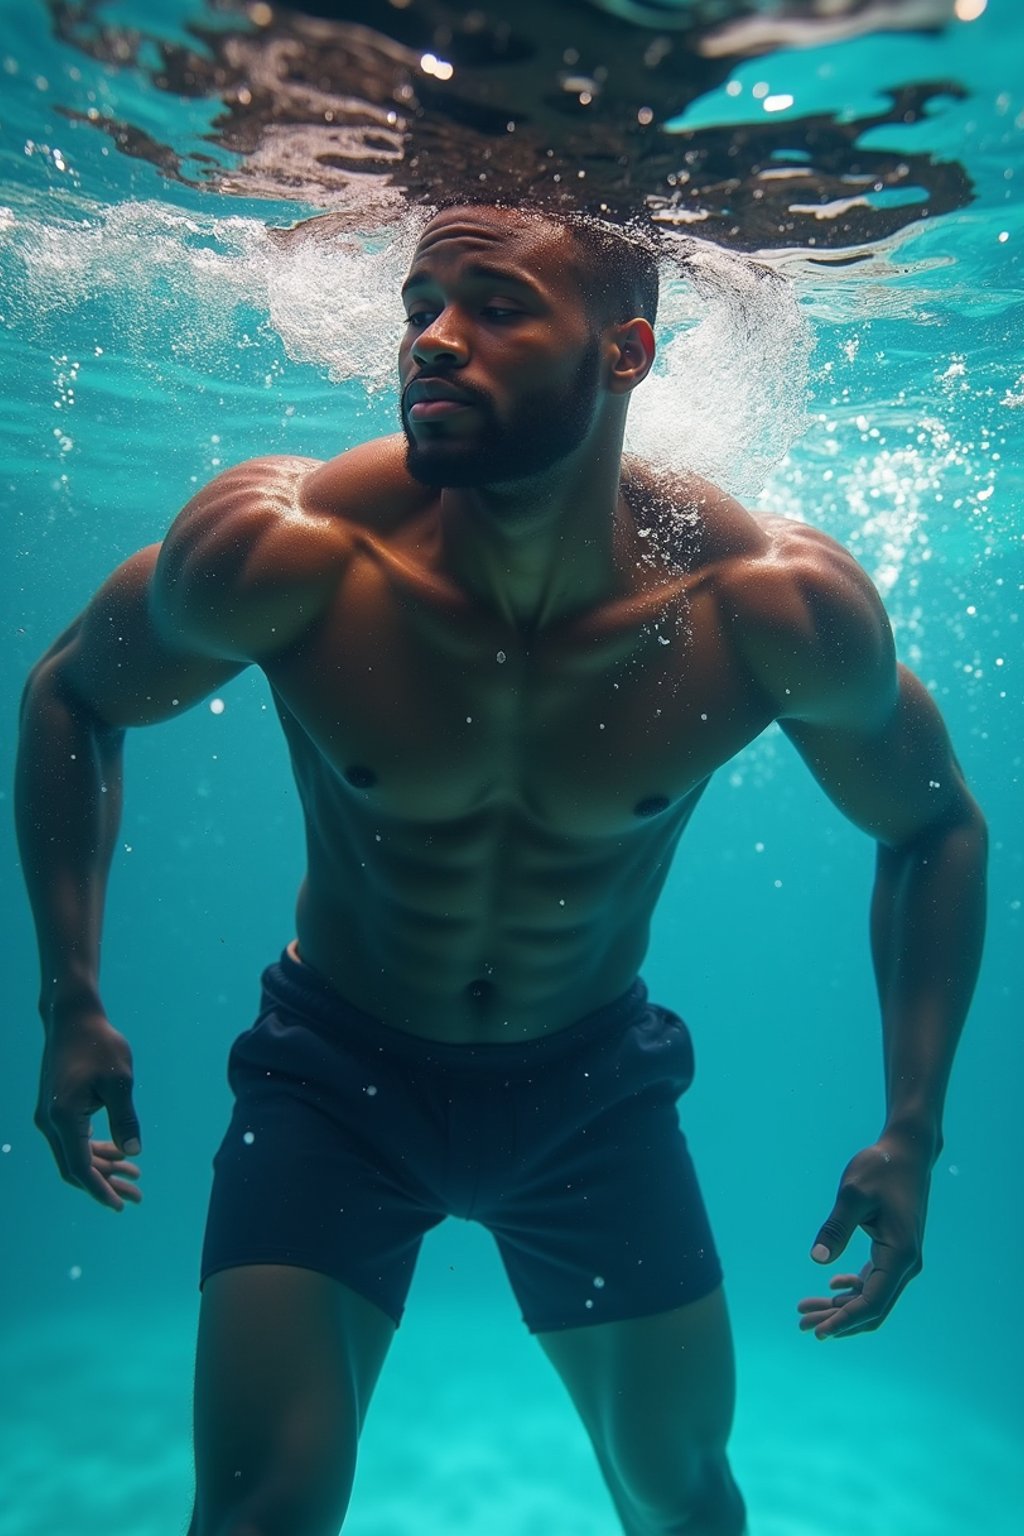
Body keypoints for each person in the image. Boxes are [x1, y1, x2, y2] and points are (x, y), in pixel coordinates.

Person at [17, 202, 987, 1536]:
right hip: (335, 1080)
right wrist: (70, 996)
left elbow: (935, 824)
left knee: (687, 1503)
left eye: (496, 306)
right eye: (420, 306)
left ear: (628, 350)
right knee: (259, 1514)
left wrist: (914, 1129)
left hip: (590, 1096)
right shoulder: (291, 545)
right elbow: (72, 695)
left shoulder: (764, 604)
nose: (434, 341)